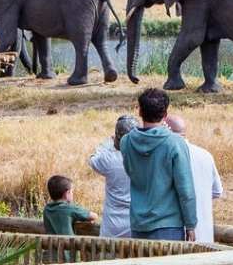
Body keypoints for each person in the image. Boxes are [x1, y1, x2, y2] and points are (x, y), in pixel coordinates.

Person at [119, 88, 195, 241]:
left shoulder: (126, 141)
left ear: (139, 111)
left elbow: (131, 172)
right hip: (169, 224)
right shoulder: (175, 143)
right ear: (165, 115)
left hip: (138, 224)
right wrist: (191, 224)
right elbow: (185, 189)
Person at [164, 114, 223, 243]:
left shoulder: (167, 155)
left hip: (179, 233)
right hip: (205, 233)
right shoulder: (205, 155)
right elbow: (217, 191)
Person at [87, 115, 139, 238]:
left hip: (112, 225)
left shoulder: (109, 159)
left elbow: (93, 158)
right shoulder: (145, 159)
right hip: (137, 223)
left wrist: (109, 143)